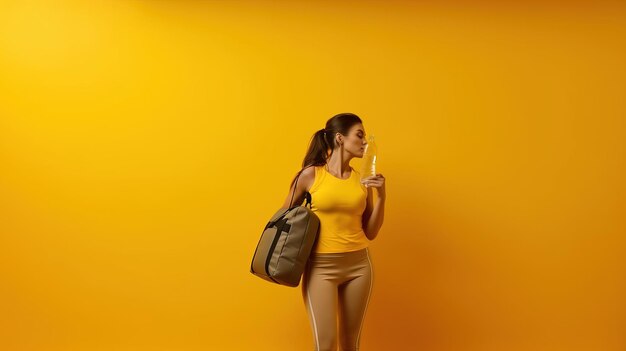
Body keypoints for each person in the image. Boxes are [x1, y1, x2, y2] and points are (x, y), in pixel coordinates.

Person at [281, 113, 386, 351]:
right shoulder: (310, 175)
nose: (365, 143)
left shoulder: (362, 181)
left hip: (359, 267)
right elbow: (283, 217)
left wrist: (382, 197)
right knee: (325, 345)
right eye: (359, 135)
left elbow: (370, 232)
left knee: (351, 344)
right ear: (340, 138)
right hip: (321, 268)